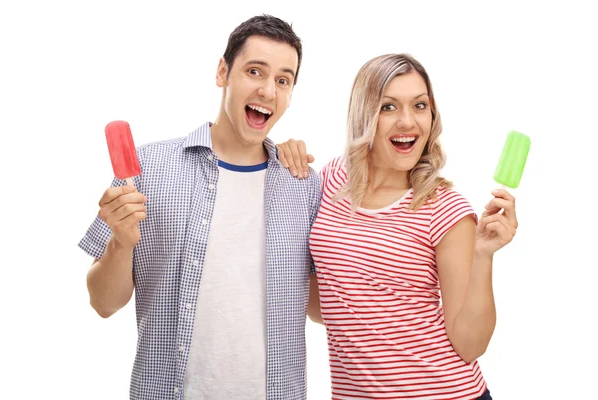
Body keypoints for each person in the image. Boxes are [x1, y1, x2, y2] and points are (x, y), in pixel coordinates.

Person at [78, 14, 321, 400]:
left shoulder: (304, 186)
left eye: (283, 80)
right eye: (254, 71)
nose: (268, 92)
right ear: (223, 72)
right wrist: (121, 244)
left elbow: (318, 310)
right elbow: (102, 303)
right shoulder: (146, 171)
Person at [277, 53, 518, 399]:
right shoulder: (331, 181)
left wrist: (484, 255)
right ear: (363, 115)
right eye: (388, 107)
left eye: (419, 106)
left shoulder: (445, 208)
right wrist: (281, 157)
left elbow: (470, 345)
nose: (408, 121)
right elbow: (324, 308)